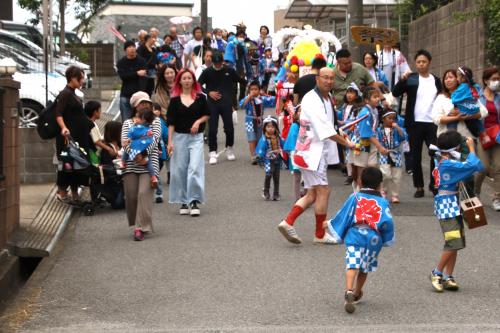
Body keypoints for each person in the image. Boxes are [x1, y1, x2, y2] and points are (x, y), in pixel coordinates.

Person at [277, 67, 355, 245]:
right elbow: (325, 130)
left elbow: (329, 125)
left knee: (312, 193)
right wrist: (347, 143)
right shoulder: (312, 99)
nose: (328, 81)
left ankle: (289, 222)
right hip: (312, 152)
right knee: (323, 190)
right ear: (317, 79)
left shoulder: (326, 98)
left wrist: (341, 132)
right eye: (325, 78)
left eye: (331, 78)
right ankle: (318, 234)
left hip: (311, 151)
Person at [325, 167, 395, 314]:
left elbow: (345, 214)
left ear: (360, 182)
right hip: (373, 238)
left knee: (352, 263)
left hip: (355, 234)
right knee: (364, 267)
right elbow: (388, 222)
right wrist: (386, 238)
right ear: (380, 185)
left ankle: (349, 290)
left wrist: (331, 223)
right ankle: (357, 292)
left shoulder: (355, 197)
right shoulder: (382, 202)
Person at [429, 131, 483, 292]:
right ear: (457, 146)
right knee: (453, 241)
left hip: (452, 204)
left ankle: (448, 276)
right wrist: (472, 149)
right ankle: (436, 273)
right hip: (447, 207)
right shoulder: (448, 163)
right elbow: (475, 166)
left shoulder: (442, 159)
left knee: (456, 242)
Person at [392, 49, 442, 198]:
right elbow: (395, 92)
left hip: (432, 123)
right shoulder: (411, 78)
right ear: (415, 63)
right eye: (419, 62)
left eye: (424, 62)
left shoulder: (436, 80)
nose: (421, 64)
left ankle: (434, 184)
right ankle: (419, 186)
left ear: (429, 63)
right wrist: (402, 79)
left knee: (435, 154)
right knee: (415, 156)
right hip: (414, 123)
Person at [167, 69, 210, 216]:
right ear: (179, 81)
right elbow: (171, 123)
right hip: (179, 138)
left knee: (195, 168)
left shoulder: (200, 98)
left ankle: (194, 200)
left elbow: (207, 114)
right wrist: (169, 142)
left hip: (196, 138)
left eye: (189, 78)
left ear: (193, 80)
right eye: (184, 78)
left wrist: (198, 122)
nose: (186, 80)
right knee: (180, 170)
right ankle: (184, 200)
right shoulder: (174, 100)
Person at [121, 91, 161, 241]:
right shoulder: (127, 123)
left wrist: (143, 154)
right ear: (134, 106)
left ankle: (140, 227)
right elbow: (125, 143)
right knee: (131, 195)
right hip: (131, 164)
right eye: (141, 103)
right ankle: (136, 222)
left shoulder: (155, 121)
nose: (145, 105)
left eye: (147, 103)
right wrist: (135, 155)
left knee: (144, 193)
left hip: (149, 163)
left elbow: (155, 140)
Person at [198, 51, 247, 165]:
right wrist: (208, 92)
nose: (218, 65)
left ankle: (229, 148)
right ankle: (212, 152)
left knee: (229, 128)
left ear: (223, 61)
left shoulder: (229, 70)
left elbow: (240, 80)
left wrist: (252, 85)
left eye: (220, 63)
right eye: (216, 63)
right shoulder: (207, 71)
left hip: (226, 103)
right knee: (212, 129)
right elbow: (198, 84)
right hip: (212, 104)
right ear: (212, 62)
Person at [55, 66, 94, 203]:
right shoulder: (65, 94)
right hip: (69, 137)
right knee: (68, 165)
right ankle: (62, 192)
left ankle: (74, 192)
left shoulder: (73, 93)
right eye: (81, 78)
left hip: (78, 136)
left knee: (76, 165)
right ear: (73, 78)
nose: (82, 81)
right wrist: (64, 128)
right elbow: (58, 114)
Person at [351, 87, 388, 187]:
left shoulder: (374, 110)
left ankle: (370, 190)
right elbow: (366, 133)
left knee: (372, 167)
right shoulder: (365, 112)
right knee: (361, 171)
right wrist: (380, 147)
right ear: (367, 100)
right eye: (374, 97)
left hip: (371, 142)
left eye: (378, 97)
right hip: (362, 144)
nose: (378, 99)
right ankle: (359, 193)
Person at [476, 67, 500, 211]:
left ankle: (497, 198)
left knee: (498, 167)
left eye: (498, 79)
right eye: (493, 79)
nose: (496, 82)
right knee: (483, 167)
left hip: (497, 136)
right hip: (482, 135)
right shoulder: (478, 97)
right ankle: (476, 191)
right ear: (486, 81)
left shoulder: (499, 97)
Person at [240, 81, 275, 164]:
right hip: (250, 121)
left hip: (260, 121)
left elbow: (273, 100)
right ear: (249, 91)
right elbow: (242, 105)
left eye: (256, 89)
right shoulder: (247, 99)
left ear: (259, 90)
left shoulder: (262, 98)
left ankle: (260, 154)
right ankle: (253, 156)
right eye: (251, 89)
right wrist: (249, 97)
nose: (254, 91)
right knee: (252, 139)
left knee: (260, 138)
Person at [377, 109, 407, 203]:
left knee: (396, 176)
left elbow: (404, 137)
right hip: (384, 154)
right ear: (383, 119)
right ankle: (383, 190)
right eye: (389, 118)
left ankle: (395, 195)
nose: (392, 120)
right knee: (385, 173)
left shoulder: (397, 129)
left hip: (396, 153)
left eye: (394, 119)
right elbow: (376, 140)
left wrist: (398, 128)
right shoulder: (379, 130)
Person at [337, 83, 363, 185]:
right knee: (346, 154)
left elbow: (353, 121)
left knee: (351, 154)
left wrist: (343, 123)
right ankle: (350, 174)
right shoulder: (345, 106)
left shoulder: (357, 107)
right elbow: (341, 116)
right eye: (348, 92)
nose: (349, 95)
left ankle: (353, 174)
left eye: (352, 93)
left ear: (357, 95)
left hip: (351, 132)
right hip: (344, 131)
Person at [117, 40, 147, 121]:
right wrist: (136, 73)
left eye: (133, 46)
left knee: (140, 119)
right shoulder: (121, 62)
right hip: (125, 94)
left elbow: (144, 75)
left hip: (139, 96)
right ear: (125, 50)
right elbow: (123, 76)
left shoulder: (142, 61)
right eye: (129, 47)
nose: (132, 49)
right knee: (126, 121)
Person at [256, 116, 284, 200]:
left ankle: (276, 194)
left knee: (276, 177)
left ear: (276, 127)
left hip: (277, 159)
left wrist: (287, 150)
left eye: (272, 127)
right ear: (264, 128)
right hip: (268, 160)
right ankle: (266, 191)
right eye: (268, 127)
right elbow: (261, 148)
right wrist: (260, 157)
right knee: (268, 174)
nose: (270, 129)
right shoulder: (264, 139)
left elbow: (284, 145)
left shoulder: (279, 137)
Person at [449, 66, 483, 137]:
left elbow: (454, 98)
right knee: (477, 123)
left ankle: (452, 135)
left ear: (463, 78)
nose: (457, 79)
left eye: (458, 76)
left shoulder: (463, 86)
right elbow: (479, 95)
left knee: (451, 118)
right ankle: (482, 133)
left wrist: (452, 95)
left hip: (464, 111)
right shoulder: (475, 86)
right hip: (474, 110)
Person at [99, 121, 125, 209]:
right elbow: (108, 170)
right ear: (115, 133)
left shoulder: (121, 145)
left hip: (123, 179)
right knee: (118, 204)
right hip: (115, 183)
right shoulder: (106, 150)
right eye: (121, 131)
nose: (122, 133)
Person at [283, 107, 302, 200]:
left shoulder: (309, 125)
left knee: (307, 178)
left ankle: (306, 196)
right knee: (297, 176)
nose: (302, 113)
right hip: (297, 152)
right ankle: (297, 198)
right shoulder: (295, 125)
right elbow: (292, 140)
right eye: (299, 111)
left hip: (308, 152)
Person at [152, 102, 169, 203]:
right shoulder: (144, 121)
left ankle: (159, 193)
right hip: (147, 150)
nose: (154, 112)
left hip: (159, 151)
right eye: (152, 110)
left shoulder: (160, 121)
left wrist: (168, 143)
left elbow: (166, 134)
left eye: (156, 109)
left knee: (155, 173)